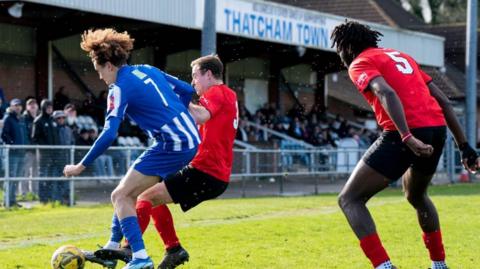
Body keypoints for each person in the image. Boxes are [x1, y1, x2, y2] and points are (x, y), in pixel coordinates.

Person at [330, 21, 480, 269]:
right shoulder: (403, 57)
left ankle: (384, 266)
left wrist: (406, 136)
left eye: (339, 49)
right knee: (416, 195)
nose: (340, 55)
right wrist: (465, 146)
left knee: (349, 200)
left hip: (405, 133)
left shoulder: (360, 63)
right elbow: (443, 101)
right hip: (436, 129)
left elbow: (386, 93)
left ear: (346, 46)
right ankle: (439, 265)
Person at [63, 28, 199, 269]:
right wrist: (175, 114)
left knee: (120, 195)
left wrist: (80, 165)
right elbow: (188, 90)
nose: (101, 78)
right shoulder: (147, 69)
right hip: (188, 139)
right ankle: (114, 247)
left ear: (109, 65)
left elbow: (109, 133)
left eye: (99, 71)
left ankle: (139, 257)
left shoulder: (118, 88)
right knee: (127, 191)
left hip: (173, 143)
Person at [99, 55, 238, 269]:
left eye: (195, 76)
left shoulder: (218, 92)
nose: (193, 83)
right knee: (151, 192)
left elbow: (200, 116)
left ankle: (130, 250)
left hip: (206, 171)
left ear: (209, 75)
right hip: (209, 170)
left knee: (142, 197)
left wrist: (171, 95)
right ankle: (173, 250)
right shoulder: (226, 95)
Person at [1, 98, 28, 207]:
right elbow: (4, 135)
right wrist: (12, 145)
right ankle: (7, 201)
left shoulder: (21, 119)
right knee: (10, 177)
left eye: (19, 105)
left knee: (16, 178)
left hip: (21, 153)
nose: (18, 107)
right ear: (11, 106)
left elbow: (24, 135)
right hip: (12, 154)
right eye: (15, 105)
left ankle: (12, 200)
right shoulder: (8, 118)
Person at [32, 99, 58, 203]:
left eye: (51, 107)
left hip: (54, 154)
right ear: (43, 108)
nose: (49, 109)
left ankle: (50, 197)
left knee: (51, 176)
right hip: (43, 154)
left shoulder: (52, 120)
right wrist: (44, 146)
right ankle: (42, 198)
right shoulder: (38, 121)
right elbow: (34, 138)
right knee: (43, 175)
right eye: (47, 107)